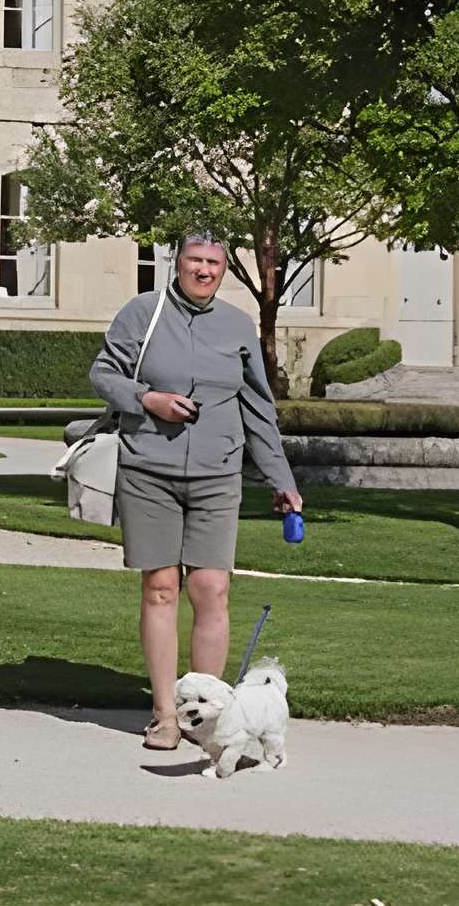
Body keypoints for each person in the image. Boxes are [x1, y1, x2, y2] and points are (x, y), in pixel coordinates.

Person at [86, 231, 301, 752]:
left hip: (217, 474)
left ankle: (207, 717)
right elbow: (103, 372)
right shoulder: (142, 312)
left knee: (211, 588)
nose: (203, 270)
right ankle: (165, 715)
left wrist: (283, 481)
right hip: (147, 470)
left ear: (223, 269)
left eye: (213, 262)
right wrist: (148, 399)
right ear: (176, 263)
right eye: (194, 260)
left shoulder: (236, 325)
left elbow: (258, 409)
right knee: (160, 587)